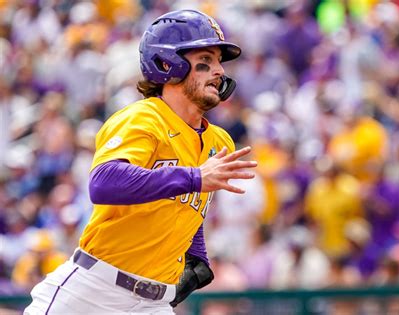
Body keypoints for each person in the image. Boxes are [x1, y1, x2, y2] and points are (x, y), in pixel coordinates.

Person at [24, 9, 257, 314]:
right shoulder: (143, 118)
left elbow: (187, 205)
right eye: (206, 60)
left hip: (153, 303)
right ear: (166, 63)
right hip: (93, 290)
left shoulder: (219, 142)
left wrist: (196, 251)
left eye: (219, 63)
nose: (219, 71)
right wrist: (194, 177)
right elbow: (104, 182)